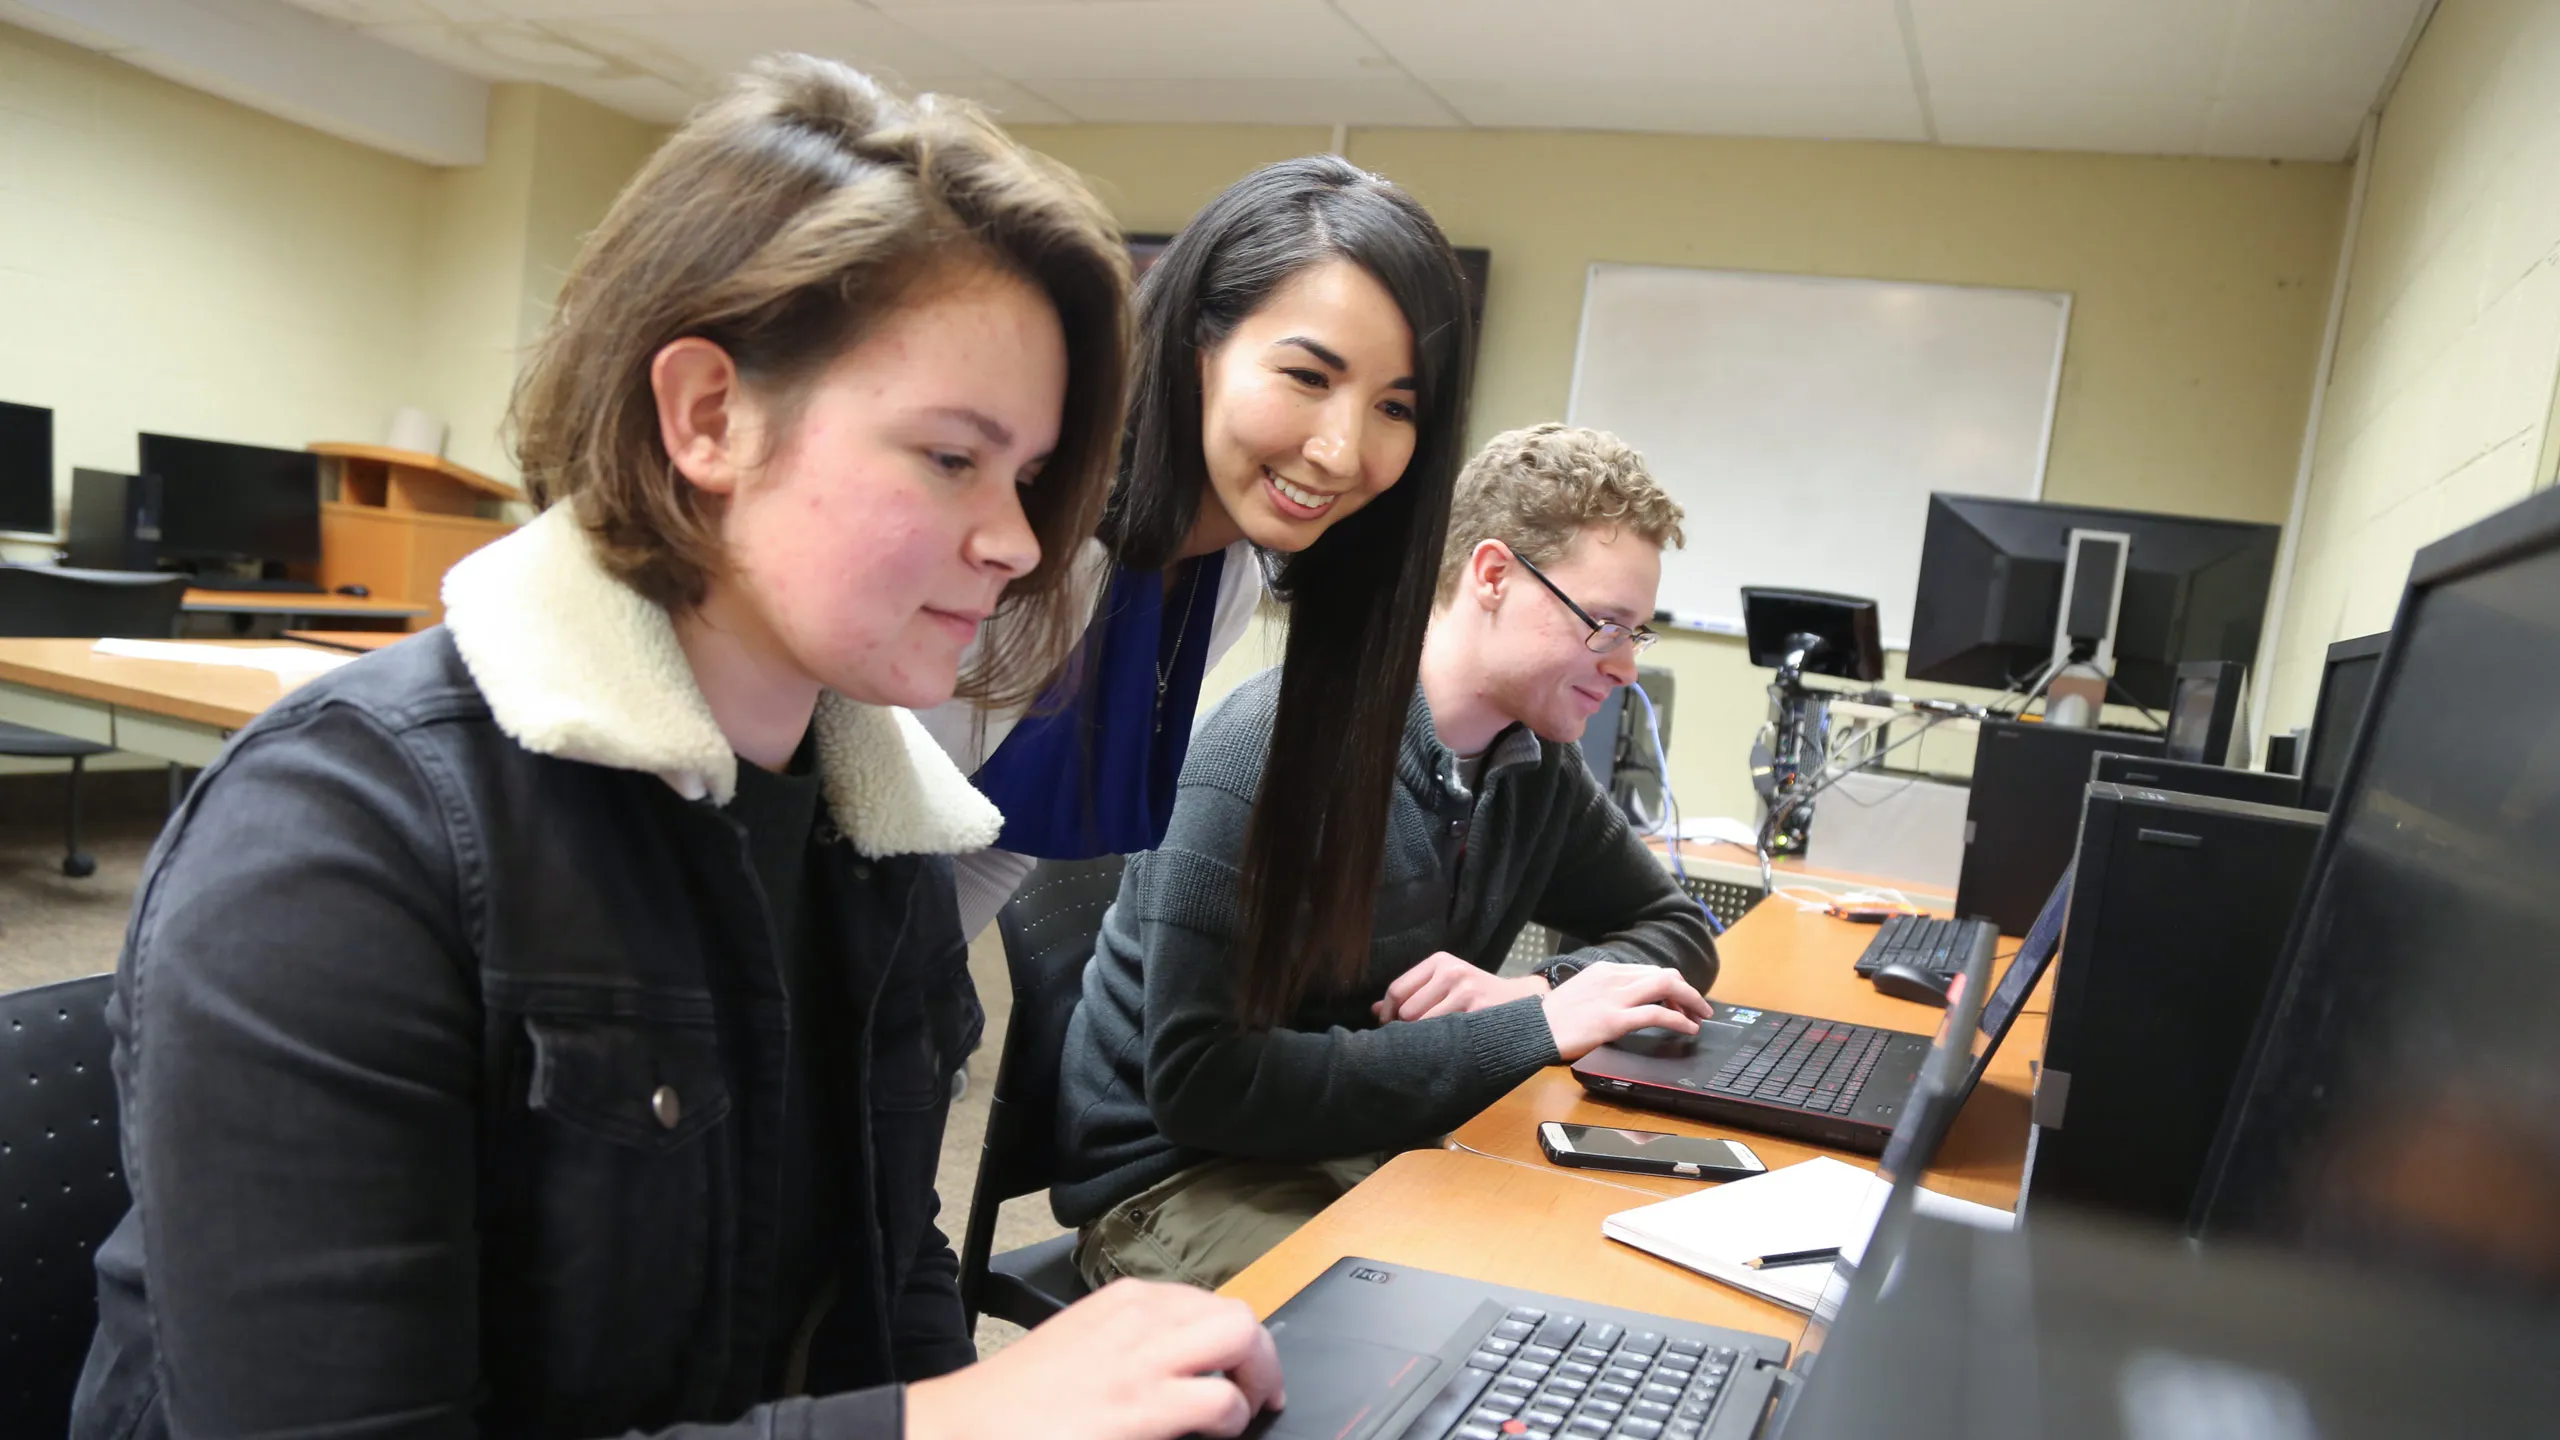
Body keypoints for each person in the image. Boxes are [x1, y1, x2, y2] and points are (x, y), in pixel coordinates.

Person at [72, 56, 1280, 1440]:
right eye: (953, 458)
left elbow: (887, 1300)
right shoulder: (341, 841)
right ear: (708, 414)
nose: (1015, 544)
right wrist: (953, 1424)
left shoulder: (869, 831)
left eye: (1025, 478)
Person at [1053, 423, 1717, 1290]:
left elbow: (1674, 926)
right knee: (1426, 1361)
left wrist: (1535, 990)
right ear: (1493, 576)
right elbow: (1204, 1084)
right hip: (1181, 1180)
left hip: (1362, 1149)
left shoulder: (1529, 759)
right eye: (1605, 626)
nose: (1624, 665)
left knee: (1582, 1285)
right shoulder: (1268, 754)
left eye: (1638, 634)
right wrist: (1529, 1030)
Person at [918, 155, 1478, 940]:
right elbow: (855, 810)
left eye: (1394, 406)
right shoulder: (1035, 540)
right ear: (1196, 349)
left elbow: (997, 834)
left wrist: (912, 1011)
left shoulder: (1227, 580)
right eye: (1309, 378)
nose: (1342, 452)